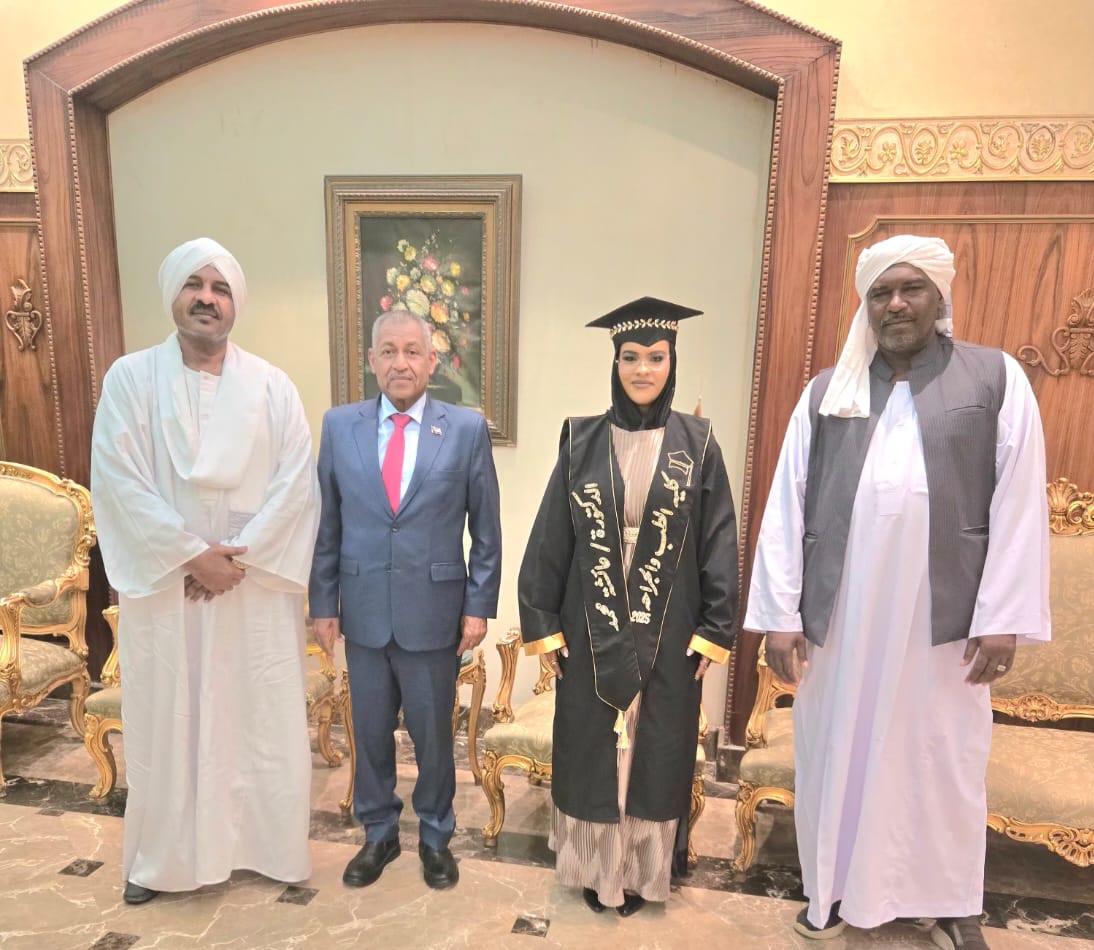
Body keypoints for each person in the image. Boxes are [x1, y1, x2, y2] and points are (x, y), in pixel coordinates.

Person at [744, 235, 1051, 950]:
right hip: (843, 613)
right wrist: (780, 615)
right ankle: (832, 890)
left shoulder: (995, 378)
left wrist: (1003, 616)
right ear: (867, 304)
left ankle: (949, 902)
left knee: (941, 758)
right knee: (835, 747)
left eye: (911, 288)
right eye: (881, 292)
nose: (896, 304)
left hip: (944, 618)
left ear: (939, 295)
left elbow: (1019, 501)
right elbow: (787, 503)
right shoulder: (829, 390)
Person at [90, 237, 321, 905]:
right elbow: (119, 481)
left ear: (234, 303)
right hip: (170, 590)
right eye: (195, 285)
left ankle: (267, 848)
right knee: (169, 721)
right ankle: (159, 860)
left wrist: (235, 559)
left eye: (220, 288)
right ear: (174, 294)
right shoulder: (130, 380)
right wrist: (193, 555)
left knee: (255, 718)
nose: (207, 299)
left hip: (252, 590)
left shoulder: (273, 387)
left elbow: (295, 485)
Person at [517, 297, 739, 917]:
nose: (643, 369)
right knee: (593, 742)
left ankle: (642, 871)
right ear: (615, 363)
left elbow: (719, 538)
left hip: (669, 619)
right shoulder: (581, 439)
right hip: (593, 618)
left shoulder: (697, 443)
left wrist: (715, 628)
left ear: (673, 362)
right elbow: (551, 535)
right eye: (631, 357)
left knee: (655, 746)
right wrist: (543, 624)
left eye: (656, 357)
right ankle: (597, 868)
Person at [309, 310, 501, 891]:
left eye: (412, 351)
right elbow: (327, 524)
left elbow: (486, 531)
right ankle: (379, 833)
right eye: (388, 351)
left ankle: (436, 838)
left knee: (433, 735)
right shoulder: (339, 427)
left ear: (431, 361)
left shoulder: (464, 429)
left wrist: (478, 605)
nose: (401, 362)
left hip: (434, 614)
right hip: (363, 609)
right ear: (372, 360)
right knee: (369, 732)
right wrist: (323, 603)